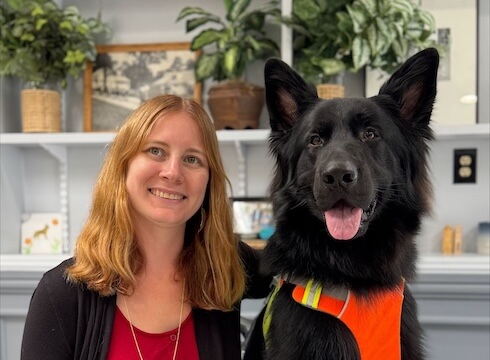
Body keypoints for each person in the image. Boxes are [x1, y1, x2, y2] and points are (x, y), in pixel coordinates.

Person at [20, 94, 271, 360]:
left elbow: (302, 265)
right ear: (123, 165)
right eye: (156, 151)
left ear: (209, 181)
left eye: (192, 159)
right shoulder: (61, 294)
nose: (173, 172)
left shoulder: (225, 265)